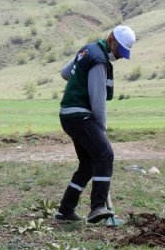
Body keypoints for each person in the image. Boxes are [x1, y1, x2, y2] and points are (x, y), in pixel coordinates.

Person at [54, 24, 136, 225]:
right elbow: (97, 99)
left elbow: (65, 73)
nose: (119, 56)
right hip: (80, 115)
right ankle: (97, 207)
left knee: (88, 164)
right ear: (111, 40)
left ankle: (65, 211)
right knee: (105, 154)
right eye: (119, 51)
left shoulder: (87, 50)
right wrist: (101, 128)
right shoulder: (99, 61)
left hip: (68, 114)